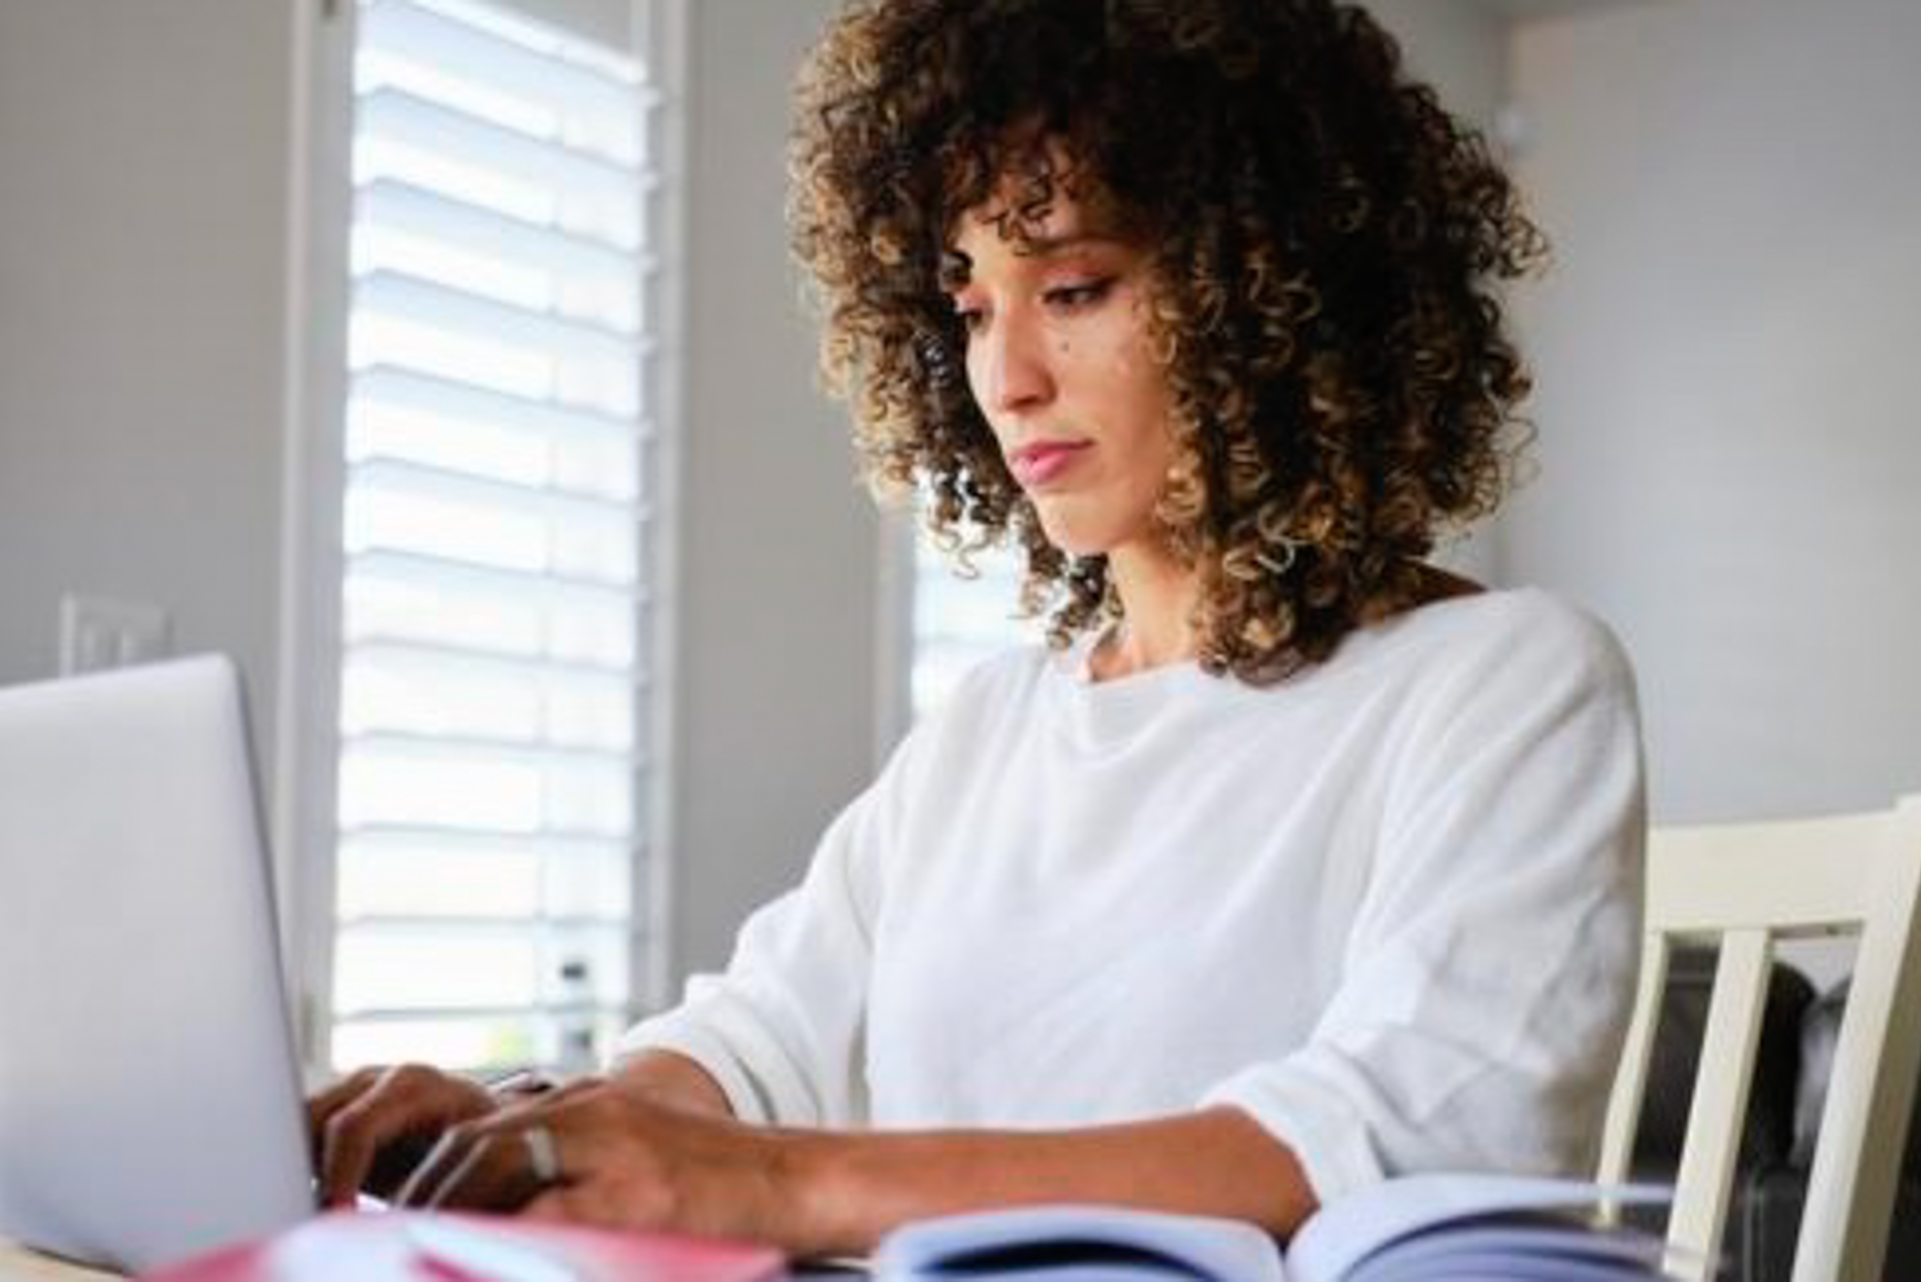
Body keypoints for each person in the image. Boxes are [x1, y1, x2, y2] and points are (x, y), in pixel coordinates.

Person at [308, 0, 1645, 1259]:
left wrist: (773, 1181)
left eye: (1072, 287)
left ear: (1276, 291)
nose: (1004, 380)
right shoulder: (987, 730)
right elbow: (759, 1036)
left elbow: (1413, 1133)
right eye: (967, 306)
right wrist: (533, 1129)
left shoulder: (1502, 680)